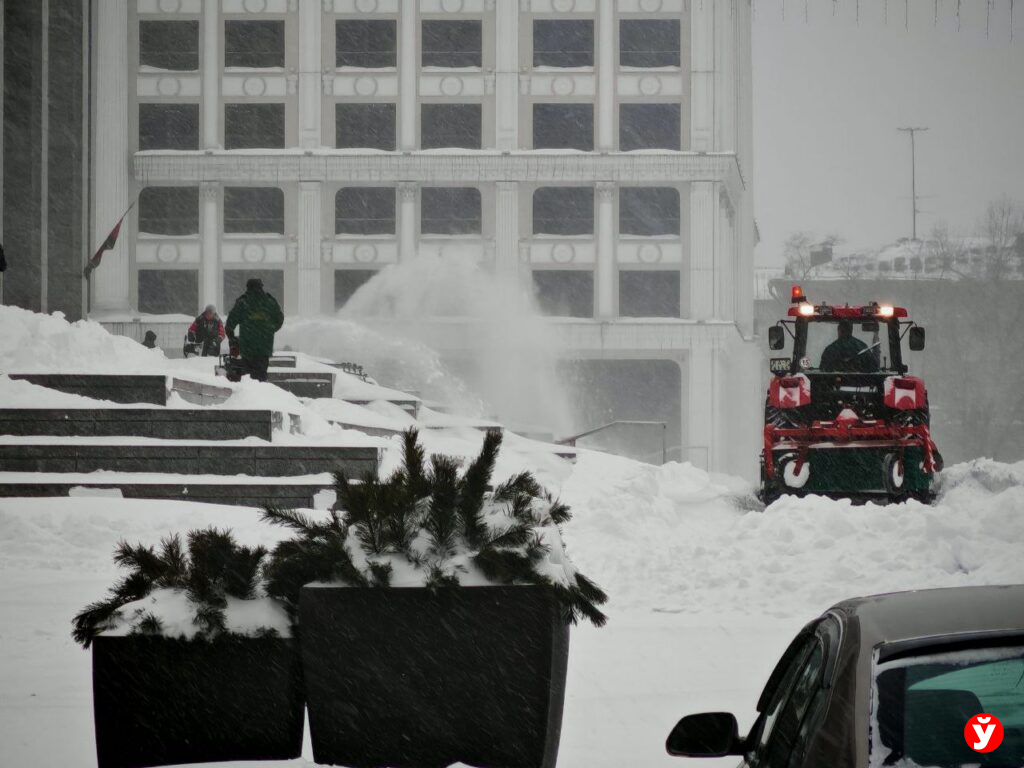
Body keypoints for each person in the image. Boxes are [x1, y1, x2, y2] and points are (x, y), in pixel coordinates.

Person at [225, 278, 284, 382]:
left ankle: (250, 393)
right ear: (261, 287)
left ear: (248, 287)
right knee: (261, 375)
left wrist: (232, 338)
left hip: (247, 347)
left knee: (248, 377)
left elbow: (230, 324)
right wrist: (270, 330)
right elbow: (280, 319)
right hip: (264, 347)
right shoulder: (270, 301)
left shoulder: (243, 302)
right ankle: (261, 393)